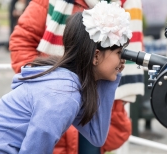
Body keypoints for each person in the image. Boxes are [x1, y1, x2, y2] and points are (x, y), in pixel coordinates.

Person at [9, 0, 144, 153]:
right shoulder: (63, 95)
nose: (123, 61)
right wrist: (43, 84)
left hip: (89, 96)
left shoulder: (71, 90)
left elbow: (97, 137)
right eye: (119, 53)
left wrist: (111, 78)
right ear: (96, 56)